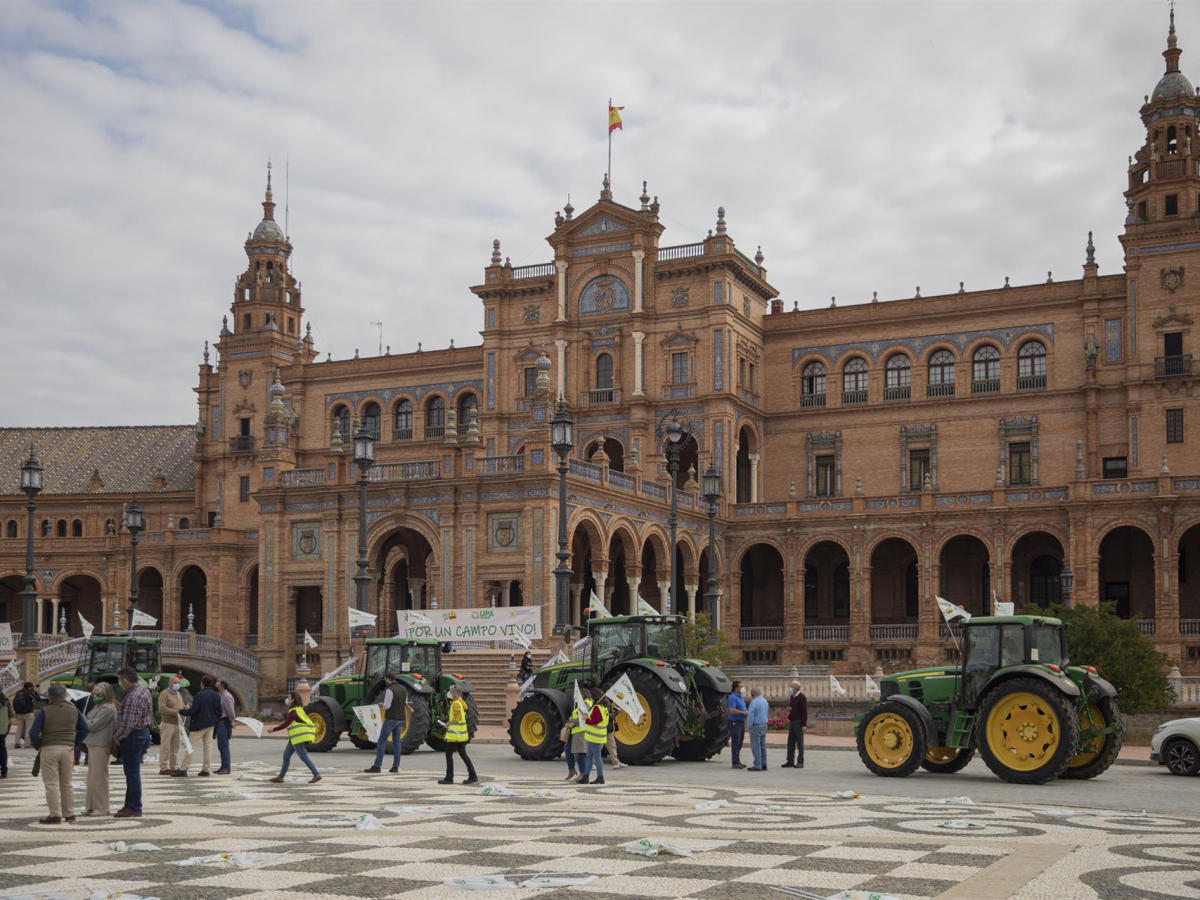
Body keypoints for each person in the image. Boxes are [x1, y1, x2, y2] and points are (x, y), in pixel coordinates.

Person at [29, 683, 89, 824]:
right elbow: (85, 729)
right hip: (68, 749)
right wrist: (74, 743)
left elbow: (33, 733)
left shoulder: (45, 711)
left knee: (51, 784)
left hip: (49, 748)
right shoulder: (74, 710)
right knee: (67, 784)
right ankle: (70, 814)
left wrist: (39, 746)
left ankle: (55, 815)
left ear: (50, 696)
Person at [113, 666, 153, 817]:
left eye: (120, 680)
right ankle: (129, 804)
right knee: (132, 772)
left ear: (124, 680)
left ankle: (134, 806)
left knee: (132, 773)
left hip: (133, 736)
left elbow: (129, 723)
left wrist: (118, 737)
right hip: (142, 733)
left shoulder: (132, 697)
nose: (119, 683)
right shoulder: (143, 690)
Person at [269, 691, 321, 783]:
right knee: (286, 756)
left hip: (298, 738)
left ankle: (316, 774)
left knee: (303, 756)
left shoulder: (293, 711)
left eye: (289, 697)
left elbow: (286, 724)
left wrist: (273, 729)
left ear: (293, 699)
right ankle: (281, 777)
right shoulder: (299, 709)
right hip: (294, 738)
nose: (287, 699)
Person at [175, 675, 221, 777]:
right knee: (208, 746)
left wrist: (182, 711)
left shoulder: (200, 695)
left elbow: (194, 710)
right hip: (211, 724)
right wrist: (215, 720)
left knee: (191, 746)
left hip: (199, 724)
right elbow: (220, 711)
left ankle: (184, 768)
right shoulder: (216, 695)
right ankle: (206, 769)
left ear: (202, 683)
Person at [83, 683, 117, 816]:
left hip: (101, 744)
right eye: (94, 694)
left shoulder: (108, 708)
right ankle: (91, 806)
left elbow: (93, 725)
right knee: (92, 777)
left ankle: (102, 807)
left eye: (98, 694)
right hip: (92, 743)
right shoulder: (97, 706)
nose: (95, 696)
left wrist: (81, 720)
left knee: (99, 777)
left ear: (106, 694)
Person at [365, 672, 405, 774]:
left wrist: (381, 704)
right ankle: (395, 767)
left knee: (382, 740)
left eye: (385, 679)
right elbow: (405, 703)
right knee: (397, 742)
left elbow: (387, 706)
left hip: (391, 718)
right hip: (401, 719)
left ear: (388, 679)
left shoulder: (389, 690)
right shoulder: (403, 689)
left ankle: (377, 766)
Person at [437, 684, 477, 785]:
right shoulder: (461, 702)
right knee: (463, 753)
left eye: (450, 691)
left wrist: (448, 724)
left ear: (453, 693)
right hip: (461, 734)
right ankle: (472, 775)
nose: (449, 693)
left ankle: (449, 777)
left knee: (448, 754)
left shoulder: (455, 703)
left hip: (455, 735)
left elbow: (457, 718)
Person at [578, 687, 608, 786]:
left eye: (591, 695)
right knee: (589, 756)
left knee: (596, 757)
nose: (590, 697)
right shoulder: (603, 707)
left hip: (594, 736)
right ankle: (586, 777)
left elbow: (595, 721)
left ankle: (600, 777)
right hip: (599, 735)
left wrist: (586, 719)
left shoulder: (596, 707)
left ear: (595, 696)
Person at [157, 676, 185, 775]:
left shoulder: (178, 693)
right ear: (169, 683)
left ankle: (173, 766)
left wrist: (184, 708)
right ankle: (163, 767)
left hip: (177, 724)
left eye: (178, 683)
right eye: (175, 683)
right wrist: (175, 712)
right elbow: (162, 708)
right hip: (168, 723)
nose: (177, 684)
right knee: (165, 746)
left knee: (175, 747)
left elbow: (180, 706)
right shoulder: (164, 693)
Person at [782, 680, 809, 769]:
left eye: (791, 687)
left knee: (800, 742)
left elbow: (804, 711)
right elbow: (793, 708)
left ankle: (800, 761)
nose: (790, 688)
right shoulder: (792, 697)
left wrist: (804, 724)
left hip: (799, 721)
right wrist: (790, 709)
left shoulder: (802, 697)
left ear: (796, 688)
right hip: (792, 721)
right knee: (790, 741)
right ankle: (790, 760)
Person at [566, 683, 589, 780]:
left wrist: (572, 723)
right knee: (568, 749)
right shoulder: (580, 704)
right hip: (575, 732)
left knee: (580, 753)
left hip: (581, 731)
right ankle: (572, 769)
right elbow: (577, 715)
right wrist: (570, 720)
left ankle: (583, 773)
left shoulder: (586, 704)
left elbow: (583, 717)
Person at [745, 686, 769, 772]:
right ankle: (764, 763)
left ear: (754, 693)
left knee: (756, 746)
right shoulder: (765, 701)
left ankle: (757, 764)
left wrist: (749, 725)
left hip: (756, 725)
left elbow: (751, 714)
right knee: (763, 745)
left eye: (751, 692)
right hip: (764, 724)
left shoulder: (754, 702)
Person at [216, 680, 236, 775]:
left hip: (224, 722)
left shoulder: (227, 697)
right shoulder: (221, 695)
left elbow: (230, 711)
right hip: (220, 723)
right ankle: (223, 766)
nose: (217, 687)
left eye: (218, 685)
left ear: (222, 686)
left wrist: (232, 720)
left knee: (224, 746)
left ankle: (226, 767)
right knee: (221, 746)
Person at [727, 680, 748, 769]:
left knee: (740, 742)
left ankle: (737, 760)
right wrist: (743, 713)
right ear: (736, 688)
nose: (742, 688)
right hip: (735, 722)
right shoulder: (732, 697)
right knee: (736, 742)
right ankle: (735, 762)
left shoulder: (740, 697)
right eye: (741, 687)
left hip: (741, 722)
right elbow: (732, 710)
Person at [603, 696, 627, 769]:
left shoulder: (606, 701)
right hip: (604, 729)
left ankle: (616, 762)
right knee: (599, 747)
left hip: (607, 729)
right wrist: (615, 713)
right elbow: (607, 716)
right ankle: (591, 763)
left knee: (612, 746)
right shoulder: (606, 702)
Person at [13, 681, 39, 749]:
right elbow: (37, 698)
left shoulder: (19, 692)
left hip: (19, 713)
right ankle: (27, 744)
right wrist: (35, 691)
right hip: (28, 713)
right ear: (30, 687)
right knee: (28, 728)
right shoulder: (28, 693)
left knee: (19, 728)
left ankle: (17, 743)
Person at [0, 688, 12, 778]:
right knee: (2, 749)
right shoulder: (5, 700)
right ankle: (4, 771)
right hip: (2, 728)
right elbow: (10, 714)